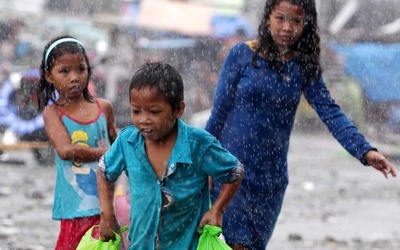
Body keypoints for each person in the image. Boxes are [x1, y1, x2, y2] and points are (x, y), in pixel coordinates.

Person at [205, 0, 398, 249]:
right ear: (267, 19)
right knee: (236, 243)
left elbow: (331, 112)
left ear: (306, 25)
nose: (288, 27)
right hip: (231, 172)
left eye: (296, 21)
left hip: (271, 179)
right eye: (281, 18)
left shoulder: (302, 66)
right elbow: (218, 115)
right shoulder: (241, 55)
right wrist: (203, 163)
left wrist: (364, 150)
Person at [97, 61, 245, 249]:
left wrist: (217, 209)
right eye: (136, 111)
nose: (144, 120)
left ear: (178, 110)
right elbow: (104, 171)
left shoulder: (198, 144)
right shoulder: (127, 141)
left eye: (154, 111)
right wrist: (107, 214)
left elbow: (235, 172)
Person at [37, 36, 118, 249]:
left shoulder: (104, 108)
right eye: (65, 71)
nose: (75, 77)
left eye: (80, 69)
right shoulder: (53, 112)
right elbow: (65, 150)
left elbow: (120, 148)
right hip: (76, 208)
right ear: (49, 76)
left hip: (108, 207)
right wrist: (106, 153)